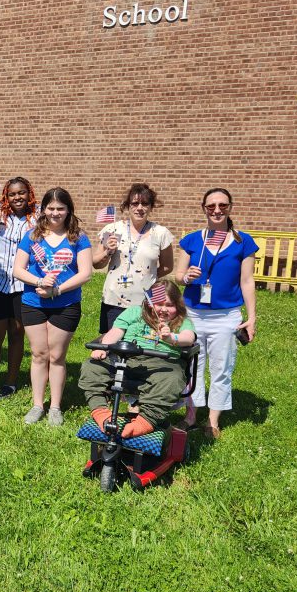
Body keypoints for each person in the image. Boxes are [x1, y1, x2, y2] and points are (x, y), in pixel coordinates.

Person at [173, 188, 258, 440]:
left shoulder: (243, 242)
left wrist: (251, 318)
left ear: (230, 207)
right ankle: (191, 415)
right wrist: (186, 276)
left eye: (222, 205)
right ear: (204, 208)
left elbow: (247, 281)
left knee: (221, 369)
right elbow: (178, 276)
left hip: (226, 316)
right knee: (191, 367)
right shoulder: (192, 240)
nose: (217, 210)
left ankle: (212, 420)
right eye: (211, 206)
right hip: (193, 315)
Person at [12, 187, 92, 426]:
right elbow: (18, 269)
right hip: (33, 302)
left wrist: (57, 289)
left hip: (65, 303)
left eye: (61, 208)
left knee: (57, 356)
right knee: (39, 354)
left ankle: (55, 406)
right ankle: (37, 404)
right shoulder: (32, 236)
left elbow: (86, 273)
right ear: (43, 209)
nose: (55, 213)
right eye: (51, 208)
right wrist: (38, 281)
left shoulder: (78, 237)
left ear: (69, 211)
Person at [79, 280, 197, 438]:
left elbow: (189, 338)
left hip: (162, 363)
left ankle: (146, 420)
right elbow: (116, 331)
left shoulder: (181, 322)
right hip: (127, 359)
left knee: (173, 379)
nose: (163, 309)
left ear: (178, 305)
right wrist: (104, 348)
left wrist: (171, 337)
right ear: (149, 303)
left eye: (169, 305)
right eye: (158, 303)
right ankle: (101, 412)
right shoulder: (134, 312)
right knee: (91, 366)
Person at [0, 177, 37, 400]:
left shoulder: (37, 218)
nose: (17, 198)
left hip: (23, 285)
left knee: (16, 333)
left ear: (29, 193)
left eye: (21, 193)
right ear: (6, 196)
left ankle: (11, 382)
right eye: (12, 194)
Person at [92, 183, 174, 333]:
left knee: (144, 344)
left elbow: (168, 266)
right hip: (114, 299)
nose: (140, 208)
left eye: (145, 203)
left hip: (148, 300)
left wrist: (148, 276)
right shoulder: (112, 229)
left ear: (151, 207)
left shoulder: (161, 233)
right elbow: (96, 264)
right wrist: (107, 252)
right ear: (128, 206)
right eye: (135, 203)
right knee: (111, 346)